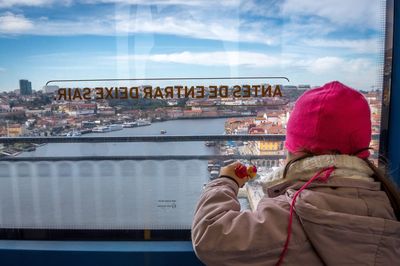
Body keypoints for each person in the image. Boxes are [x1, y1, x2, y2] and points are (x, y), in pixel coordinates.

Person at [191, 81, 400, 265]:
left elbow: (210, 236)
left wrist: (226, 181)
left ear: (293, 150)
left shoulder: (290, 216)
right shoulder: (386, 204)